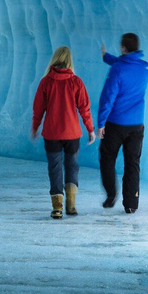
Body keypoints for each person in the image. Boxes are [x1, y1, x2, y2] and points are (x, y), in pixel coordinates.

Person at [31, 46, 96, 219]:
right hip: (72, 133)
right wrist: (90, 129)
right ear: (69, 61)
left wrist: (35, 126)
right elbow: (85, 108)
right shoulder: (76, 82)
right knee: (72, 167)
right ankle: (71, 205)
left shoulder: (46, 82)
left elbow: (38, 109)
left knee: (55, 168)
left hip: (51, 133)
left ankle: (57, 207)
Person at [97, 33, 148, 213]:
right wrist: (107, 57)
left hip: (115, 124)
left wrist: (101, 123)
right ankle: (131, 204)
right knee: (132, 163)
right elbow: (126, 66)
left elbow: (108, 98)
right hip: (137, 125)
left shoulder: (118, 69)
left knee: (107, 158)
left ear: (122, 48)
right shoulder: (145, 68)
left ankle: (111, 194)